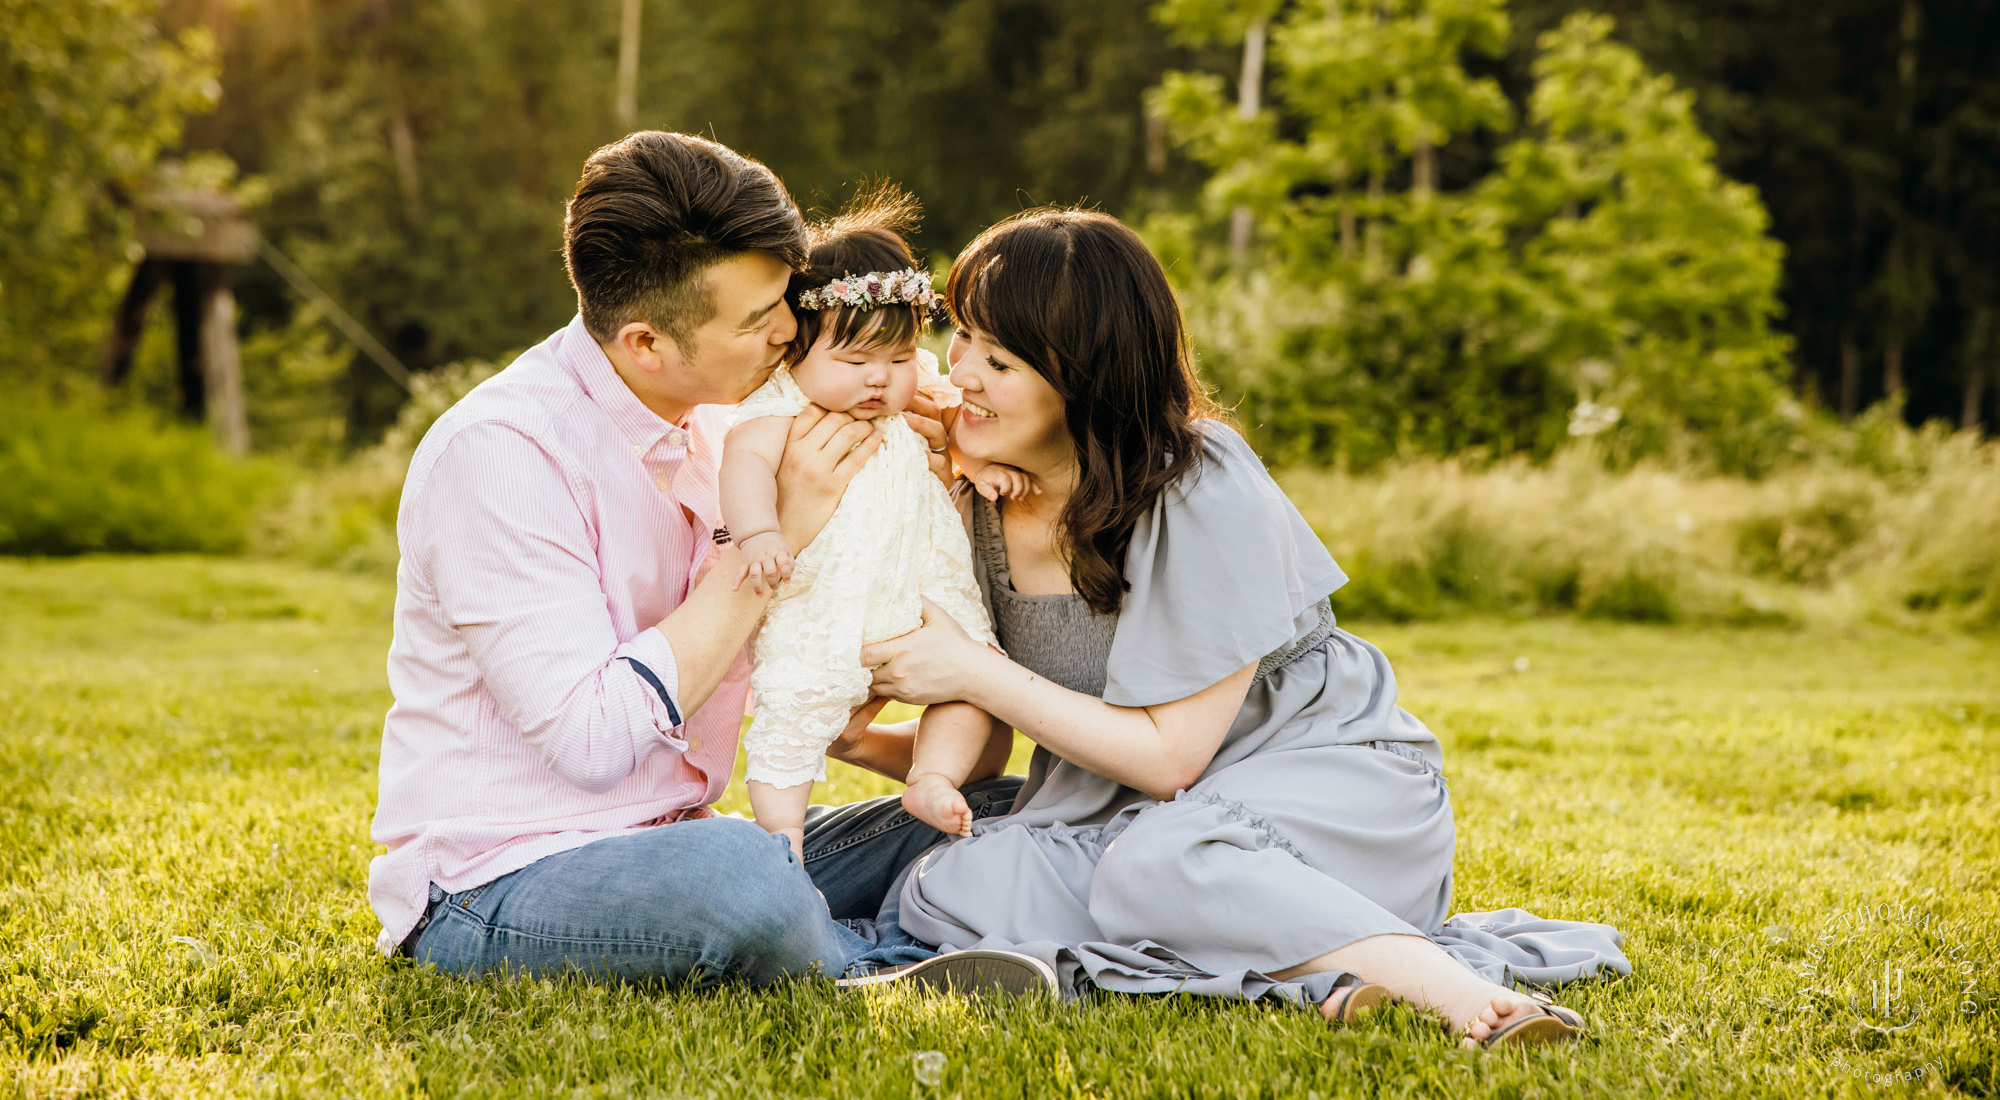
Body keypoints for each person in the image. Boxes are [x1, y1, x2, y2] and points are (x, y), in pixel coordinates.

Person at [857, 208, 1632, 1047]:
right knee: (954, 882)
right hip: (1124, 819)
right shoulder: (974, 500)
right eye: (961, 337)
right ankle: (1316, 979)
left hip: (1318, 789)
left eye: (998, 360)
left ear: (1082, 379)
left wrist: (968, 668)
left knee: (1165, 863)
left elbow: (1168, 760)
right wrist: (848, 732)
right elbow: (990, 747)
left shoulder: (1197, 480)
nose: (960, 372)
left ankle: (1461, 995)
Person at [367, 131, 1047, 994]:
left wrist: (954, 453)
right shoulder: (501, 454)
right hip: (501, 883)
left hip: (674, 840)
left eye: (787, 303)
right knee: (737, 874)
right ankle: (889, 958)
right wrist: (779, 536)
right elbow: (590, 742)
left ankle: (872, 923)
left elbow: (909, 397)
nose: (793, 332)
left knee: (1006, 809)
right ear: (648, 342)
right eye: (762, 321)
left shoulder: (735, 409)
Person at [717, 186, 1023, 857]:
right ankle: (783, 843)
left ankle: (933, 776)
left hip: (919, 580)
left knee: (976, 677)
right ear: (795, 348)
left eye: (897, 359)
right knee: (795, 710)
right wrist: (760, 532)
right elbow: (742, 464)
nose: (880, 381)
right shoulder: (781, 405)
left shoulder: (912, 390)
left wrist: (978, 462)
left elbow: (953, 423)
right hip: (824, 595)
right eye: (855, 363)